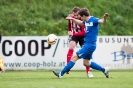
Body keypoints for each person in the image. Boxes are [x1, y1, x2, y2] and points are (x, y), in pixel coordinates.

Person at [53, 8, 109, 78]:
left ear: (84, 16)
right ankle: (104, 70)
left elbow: (102, 21)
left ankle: (60, 74)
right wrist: (72, 19)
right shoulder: (85, 21)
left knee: (74, 58)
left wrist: (104, 18)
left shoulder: (94, 20)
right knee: (86, 63)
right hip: (89, 45)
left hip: (89, 45)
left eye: (81, 17)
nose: (81, 18)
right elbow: (80, 23)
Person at [65, 6, 93, 77]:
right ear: (72, 14)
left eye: (77, 15)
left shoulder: (83, 20)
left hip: (83, 36)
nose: (76, 16)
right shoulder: (71, 17)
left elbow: (83, 32)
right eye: (74, 15)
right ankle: (67, 67)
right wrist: (69, 30)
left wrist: (73, 33)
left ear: (80, 14)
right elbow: (69, 23)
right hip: (75, 35)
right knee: (71, 47)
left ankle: (88, 72)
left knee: (85, 53)